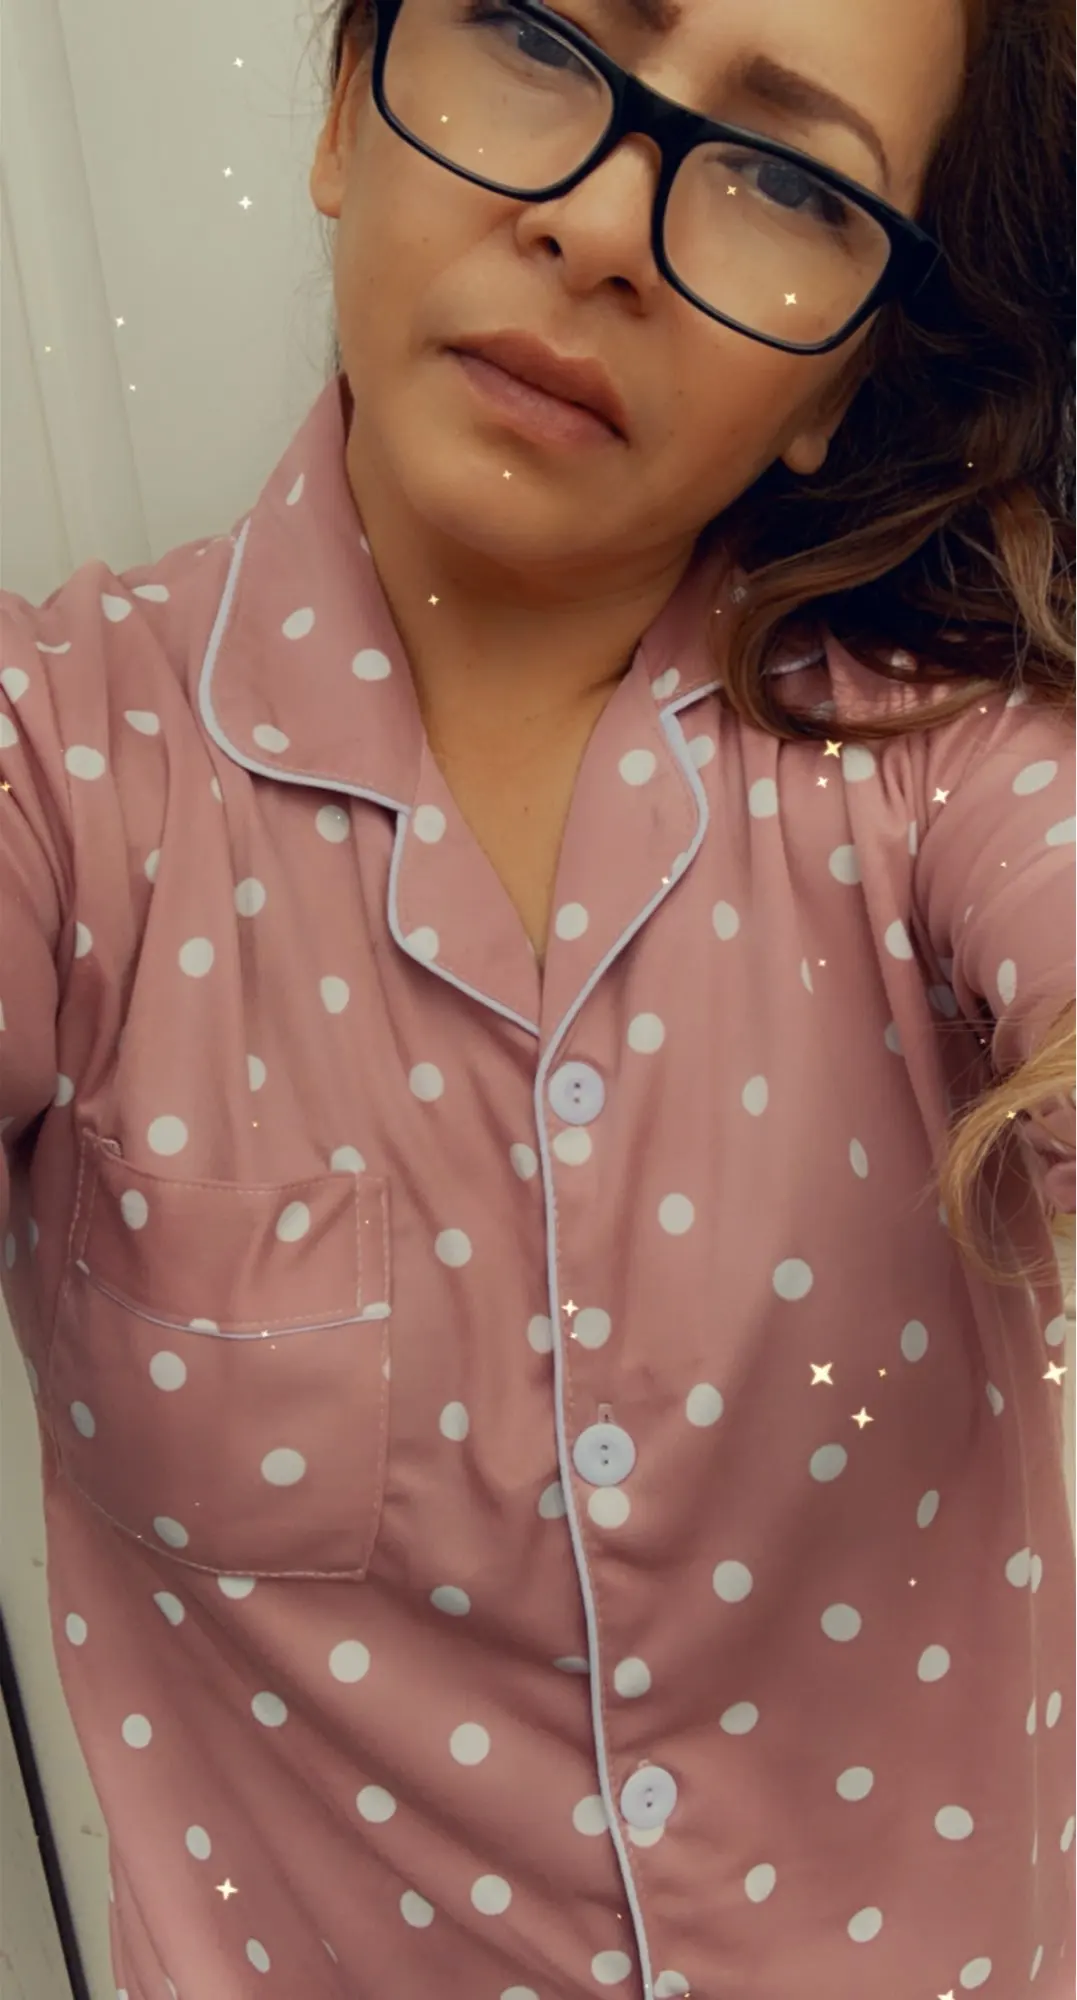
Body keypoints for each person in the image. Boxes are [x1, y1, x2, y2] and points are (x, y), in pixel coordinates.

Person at [1, 0, 1074, 1992]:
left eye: (787, 173)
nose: (596, 226)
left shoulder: (947, 775)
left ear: (845, 375)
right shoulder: (61, 774)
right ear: (348, 102)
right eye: (528, 30)